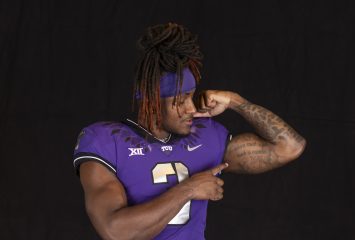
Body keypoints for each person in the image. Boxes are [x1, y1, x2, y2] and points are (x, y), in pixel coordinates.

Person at [73, 23, 306, 240]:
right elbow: (115, 232)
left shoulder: (205, 136)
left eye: (192, 96)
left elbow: (289, 147)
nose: (192, 108)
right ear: (152, 100)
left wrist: (236, 101)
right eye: (180, 100)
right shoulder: (106, 141)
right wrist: (189, 189)